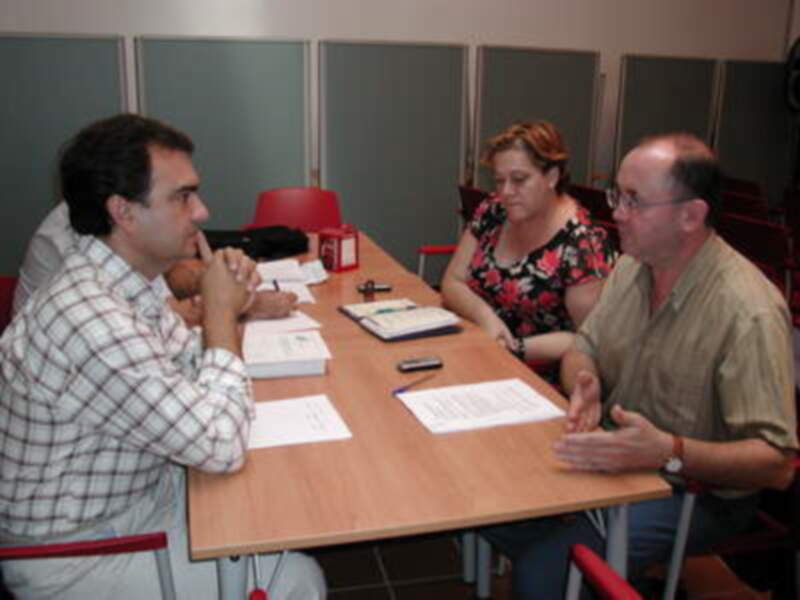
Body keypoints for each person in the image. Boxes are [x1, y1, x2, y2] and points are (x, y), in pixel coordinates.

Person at [0, 114, 325, 599]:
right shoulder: (92, 319)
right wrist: (219, 310)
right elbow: (220, 445)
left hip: (137, 496)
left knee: (280, 504)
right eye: (182, 197)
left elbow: (189, 363)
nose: (202, 212)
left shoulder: (125, 282)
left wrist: (229, 307)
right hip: (77, 554)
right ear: (124, 212)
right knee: (296, 581)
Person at [484, 133, 797, 598]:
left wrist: (667, 451)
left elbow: (776, 465)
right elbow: (583, 347)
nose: (617, 212)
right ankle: (599, 571)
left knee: (542, 575)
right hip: (621, 460)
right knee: (489, 500)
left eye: (634, 201)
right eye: (617, 195)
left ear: (691, 215)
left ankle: (583, 568)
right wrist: (584, 383)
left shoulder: (746, 310)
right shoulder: (633, 266)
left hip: (697, 490)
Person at [441, 121, 616, 380]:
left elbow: (589, 341)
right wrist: (486, 318)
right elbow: (452, 281)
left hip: (539, 377)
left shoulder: (582, 243)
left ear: (552, 177)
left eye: (519, 180)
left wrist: (513, 347)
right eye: (499, 181)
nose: (506, 192)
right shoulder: (494, 210)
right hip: (481, 352)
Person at [12, 202, 298, 325]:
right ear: (122, 206)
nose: (199, 211)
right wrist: (241, 304)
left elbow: (173, 282)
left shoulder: (119, 231)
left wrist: (217, 280)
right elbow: (169, 315)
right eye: (179, 197)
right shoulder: (82, 240)